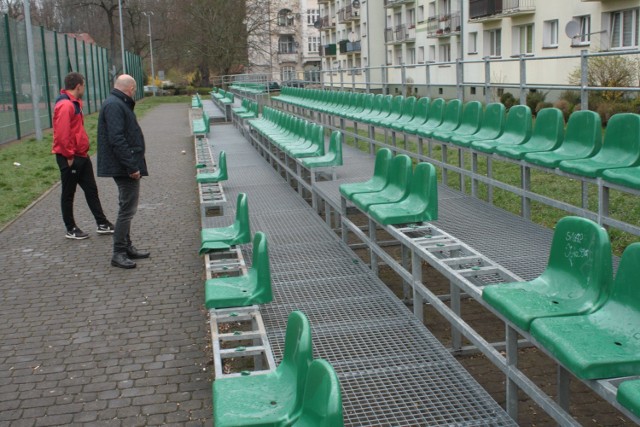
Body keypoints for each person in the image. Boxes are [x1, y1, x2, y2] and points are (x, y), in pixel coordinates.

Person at [52, 72, 114, 240]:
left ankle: (102, 223)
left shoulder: (73, 103)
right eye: (84, 86)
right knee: (68, 193)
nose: (84, 89)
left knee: (91, 190)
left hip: (81, 155)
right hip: (70, 157)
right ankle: (70, 228)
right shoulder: (65, 105)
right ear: (78, 86)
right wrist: (69, 155)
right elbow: (62, 133)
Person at [97, 74, 149, 269]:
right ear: (131, 89)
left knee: (126, 207)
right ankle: (118, 252)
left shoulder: (116, 103)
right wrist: (132, 166)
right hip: (123, 166)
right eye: (134, 90)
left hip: (123, 164)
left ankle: (127, 247)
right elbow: (117, 138)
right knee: (127, 209)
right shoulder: (114, 105)